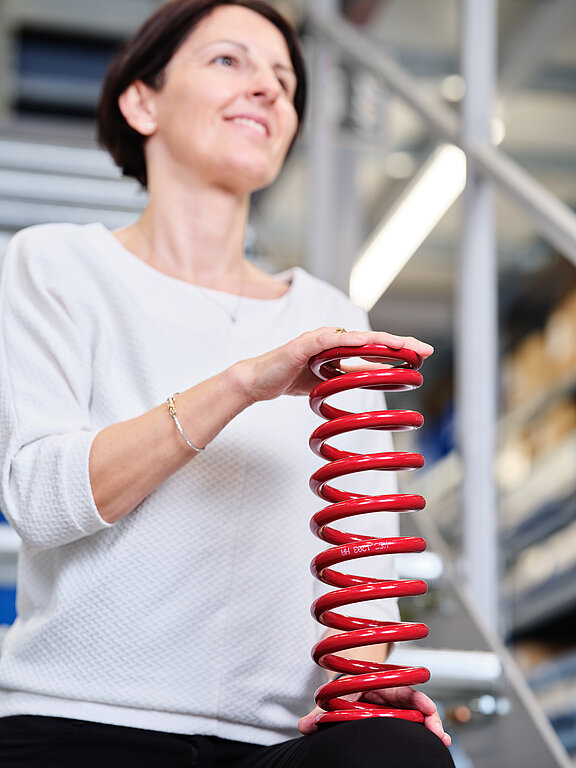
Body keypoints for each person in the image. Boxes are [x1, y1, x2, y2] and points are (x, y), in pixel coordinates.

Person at [0, 1, 455, 765]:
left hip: (271, 742)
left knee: (398, 754)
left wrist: (369, 682)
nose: (270, 90)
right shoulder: (57, 266)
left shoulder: (332, 316)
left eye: (284, 79)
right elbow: (40, 501)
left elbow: (371, 554)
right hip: (79, 724)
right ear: (142, 101)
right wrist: (243, 382)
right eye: (228, 62)